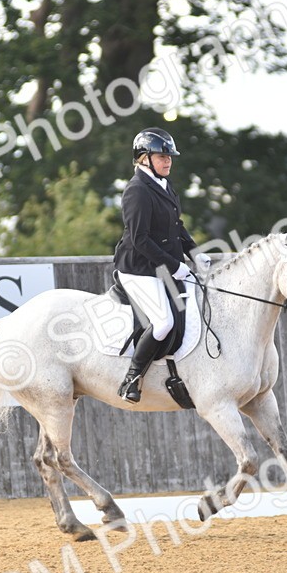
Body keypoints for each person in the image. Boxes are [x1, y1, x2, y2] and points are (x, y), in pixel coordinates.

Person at [113, 127, 201, 403]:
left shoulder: (164, 185)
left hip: (161, 266)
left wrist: (195, 252)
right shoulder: (137, 191)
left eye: (170, 157)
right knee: (163, 322)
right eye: (162, 156)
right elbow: (140, 240)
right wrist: (175, 266)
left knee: (191, 306)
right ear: (144, 158)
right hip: (137, 268)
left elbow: (177, 227)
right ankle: (132, 378)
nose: (168, 161)